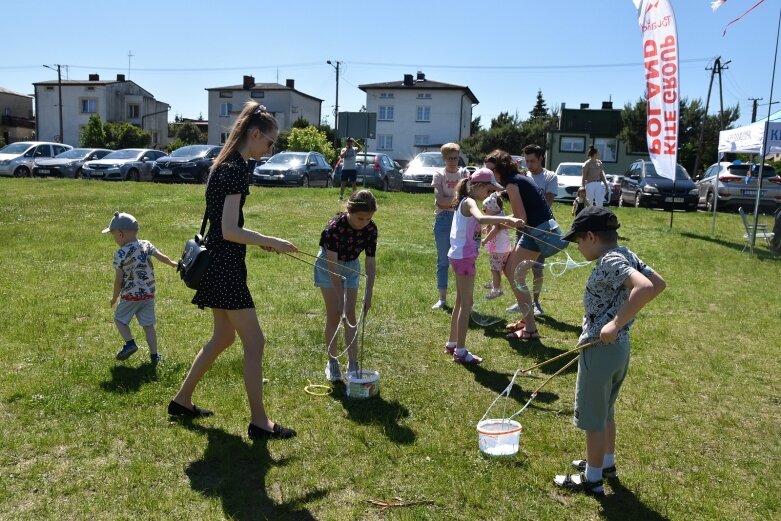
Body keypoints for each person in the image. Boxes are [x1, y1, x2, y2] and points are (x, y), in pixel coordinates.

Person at [169, 102, 299, 440]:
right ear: (254, 134)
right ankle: (260, 422)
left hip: (220, 261)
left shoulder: (223, 164)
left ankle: (182, 401)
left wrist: (260, 242)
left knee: (224, 336)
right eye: (270, 143)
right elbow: (229, 229)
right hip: (224, 264)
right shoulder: (236, 169)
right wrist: (272, 240)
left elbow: (225, 227)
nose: (270, 150)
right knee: (254, 342)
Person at [553, 206, 666, 497]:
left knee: (593, 418)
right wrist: (622, 322)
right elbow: (659, 283)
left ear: (591, 236)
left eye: (578, 241)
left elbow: (644, 287)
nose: (577, 247)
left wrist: (616, 322)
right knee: (606, 412)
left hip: (600, 349)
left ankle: (592, 480)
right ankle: (605, 463)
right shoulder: (626, 253)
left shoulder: (610, 260)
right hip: (619, 350)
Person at [484, 149, 568, 340]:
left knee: (515, 274)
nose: (489, 174)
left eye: (491, 170)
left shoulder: (513, 183)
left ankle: (530, 329)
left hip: (536, 233)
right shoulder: (515, 179)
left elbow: (520, 218)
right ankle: (526, 320)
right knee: (509, 270)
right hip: (532, 231)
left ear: (500, 169)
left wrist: (493, 223)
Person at [445, 168, 521, 363]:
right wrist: (506, 219)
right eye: (489, 190)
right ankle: (460, 352)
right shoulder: (470, 202)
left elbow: (476, 225)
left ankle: (452, 343)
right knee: (466, 304)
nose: (491, 194)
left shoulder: (466, 201)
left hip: (459, 256)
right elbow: (480, 218)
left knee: (460, 302)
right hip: (464, 259)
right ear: (478, 186)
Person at [316, 189, 377, 382]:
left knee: (350, 315)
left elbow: (370, 262)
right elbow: (333, 268)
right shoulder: (335, 228)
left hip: (351, 268)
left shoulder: (370, 229)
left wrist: (368, 294)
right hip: (329, 267)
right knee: (335, 313)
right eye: (360, 218)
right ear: (349, 211)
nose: (364, 223)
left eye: (368, 218)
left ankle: (352, 363)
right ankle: (332, 362)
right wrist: (340, 298)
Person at [103, 211, 178, 364]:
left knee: (120, 320)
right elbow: (161, 256)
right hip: (148, 294)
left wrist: (114, 297)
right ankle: (155, 356)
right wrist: (172, 263)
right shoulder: (146, 244)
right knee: (148, 326)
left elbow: (118, 280)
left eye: (114, 236)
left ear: (121, 234)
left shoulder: (120, 254)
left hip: (131, 296)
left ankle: (130, 343)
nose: (115, 239)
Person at [431, 142, 468, 310]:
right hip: (444, 219)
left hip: (462, 219)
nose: (453, 161)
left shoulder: (464, 173)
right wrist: (457, 203)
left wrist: (450, 203)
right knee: (443, 261)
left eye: (456, 157)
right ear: (444, 158)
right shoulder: (439, 174)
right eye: (449, 158)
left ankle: (464, 299)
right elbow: (440, 201)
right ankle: (442, 298)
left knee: (463, 260)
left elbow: (467, 198)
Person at [524, 143, 559, 318]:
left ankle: (536, 302)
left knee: (537, 268)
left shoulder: (550, 177)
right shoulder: (523, 176)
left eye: (532, 161)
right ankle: (522, 300)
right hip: (523, 227)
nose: (529, 165)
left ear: (540, 159)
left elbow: (548, 202)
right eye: (526, 161)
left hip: (541, 228)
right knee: (520, 268)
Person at [481, 193, 512, 300]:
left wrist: (485, 240)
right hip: (504, 248)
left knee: (495, 270)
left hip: (498, 249)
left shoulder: (497, 219)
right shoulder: (500, 215)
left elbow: (495, 230)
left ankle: (496, 290)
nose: (483, 212)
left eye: (485, 210)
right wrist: (486, 228)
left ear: (493, 209)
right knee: (497, 268)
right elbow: (492, 226)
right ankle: (494, 283)